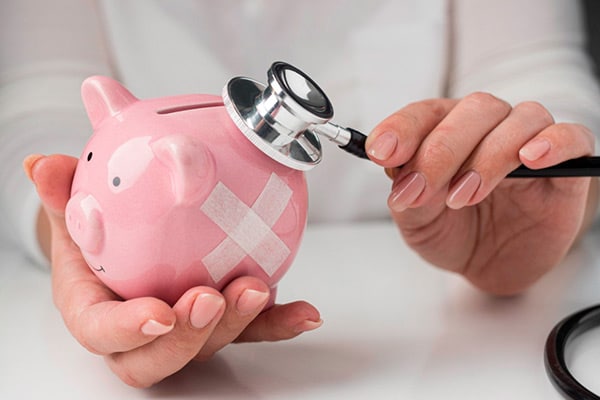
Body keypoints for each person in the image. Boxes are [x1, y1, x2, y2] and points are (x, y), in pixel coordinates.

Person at [3, 0, 600, 388]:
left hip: (440, 319)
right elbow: (35, 111)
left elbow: (539, 76)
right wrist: (64, 233)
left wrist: (536, 181)